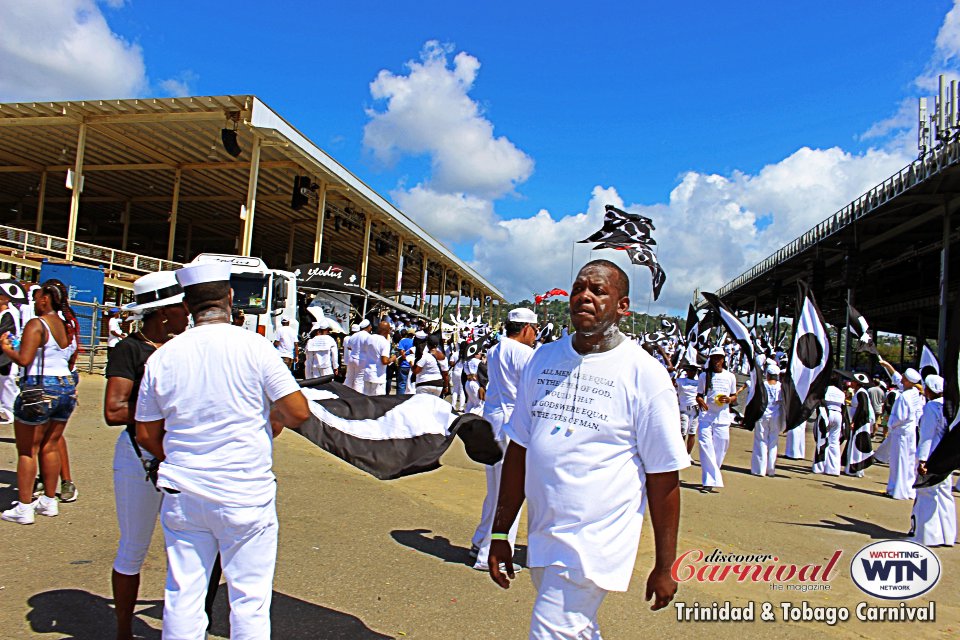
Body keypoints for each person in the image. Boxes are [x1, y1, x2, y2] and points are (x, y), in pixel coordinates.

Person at [487, 260, 688, 639]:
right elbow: (520, 449)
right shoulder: (543, 359)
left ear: (622, 306)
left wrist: (666, 565)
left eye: (598, 290)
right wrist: (500, 534)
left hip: (595, 542)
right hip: (545, 533)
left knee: (552, 630)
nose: (584, 296)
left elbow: (664, 476)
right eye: (579, 288)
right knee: (575, 631)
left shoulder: (644, 374)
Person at [135, 261, 312, 639]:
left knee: (183, 594)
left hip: (183, 490)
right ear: (230, 298)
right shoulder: (255, 347)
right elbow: (298, 412)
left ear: (186, 305)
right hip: (244, 490)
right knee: (249, 599)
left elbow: (146, 433)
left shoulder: (162, 357)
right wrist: (270, 421)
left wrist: (179, 458)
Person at [104, 271, 192, 640]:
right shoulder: (129, 350)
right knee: (134, 548)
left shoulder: (183, 348)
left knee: (186, 555)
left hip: (180, 460)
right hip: (139, 460)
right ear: (164, 313)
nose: (189, 312)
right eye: (182, 306)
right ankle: (124, 630)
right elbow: (113, 410)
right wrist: (164, 414)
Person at [1, 281, 78, 524]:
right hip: (66, 386)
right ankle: (49, 500)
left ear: (46, 298)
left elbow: (24, 359)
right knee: (51, 445)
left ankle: (24, 507)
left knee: (27, 451)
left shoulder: (38, 324)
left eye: (38, 297)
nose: (35, 301)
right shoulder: (66, 325)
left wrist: (6, 347)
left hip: (39, 387)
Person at [470, 308, 536, 572]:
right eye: (535, 328)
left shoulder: (496, 349)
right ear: (526, 328)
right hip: (511, 423)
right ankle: (490, 555)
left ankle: (480, 540)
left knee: (495, 489)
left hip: (493, 419)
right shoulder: (526, 354)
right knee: (510, 492)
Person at [911, 375, 956, 546]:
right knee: (944, 494)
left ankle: (927, 535)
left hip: (933, 453)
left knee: (927, 492)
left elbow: (927, 435)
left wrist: (923, 459)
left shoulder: (931, 407)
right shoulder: (951, 406)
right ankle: (947, 535)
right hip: (946, 454)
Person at [695, 347, 738, 491]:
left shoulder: (730, 376)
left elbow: (734, 396)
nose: (717, 361)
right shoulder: (704, 376)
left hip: (722, 416)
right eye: (714, 358)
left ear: (723, 359)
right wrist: (701, 402)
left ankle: (714, 473)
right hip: (706, 416)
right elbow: (699, 395)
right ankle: (709, 481)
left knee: (721, 446)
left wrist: (729, 400)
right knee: (705, 446)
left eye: (719, 358)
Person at [883, 366, 923, 500]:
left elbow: (900, 416)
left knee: (898, 460)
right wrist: (887, 366)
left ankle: (896, 489)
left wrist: (890, 425)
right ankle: (907, 489)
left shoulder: (905, 396)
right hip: (910, 431)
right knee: (909, 461)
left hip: (901, 431)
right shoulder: (914, 393)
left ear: (907, 380)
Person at [751, 364, 783, 477]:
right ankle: (771, 469)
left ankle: (759, 469)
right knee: (773, 442)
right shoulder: (781, 387)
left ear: (768, 374)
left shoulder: (762, 385)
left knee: (761, 440)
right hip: (776, 415)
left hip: (762, 414)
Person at [843, 373, 874, 477]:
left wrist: (855, 421)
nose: (851, 383)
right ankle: (853, 468)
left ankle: (856, 468)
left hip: (860, 423)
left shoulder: (861, 393)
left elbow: (863, 408)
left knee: (858, 445)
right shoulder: (859, 392)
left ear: (857, 383)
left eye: (853, 381)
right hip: (859, 422)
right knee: (854, 444)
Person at [812, 377, 845, 476]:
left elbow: (820, 402)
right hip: (838, 415)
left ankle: (819, 467)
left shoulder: (826, 389)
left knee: (822, 441)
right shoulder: (841, 392)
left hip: (827, 413)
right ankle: (833, 469)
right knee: (834, 442)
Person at [0, 286, 22, 423]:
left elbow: (5, 332)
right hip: (3, 355)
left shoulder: (9, 314)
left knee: (8, 383)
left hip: (7, 355)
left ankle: (12, 412)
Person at [361, 321, 396, 396]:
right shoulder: (385, 342)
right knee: (377, 401)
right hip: (378, 376)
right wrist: (392, 359)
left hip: (367, 373)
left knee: (366, 398)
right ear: (386, 331)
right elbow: (384, 361)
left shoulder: (369, 338)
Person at [675, 363, 700, 454]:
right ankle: (680, 453)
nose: (692, 372)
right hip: (683, 409)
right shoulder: (680, 381)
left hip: (695, 409)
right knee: (683, 431)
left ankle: (688, 454)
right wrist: (677, 372)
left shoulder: (699, 383)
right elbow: (672, 383)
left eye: (694, 371)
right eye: (690, 370)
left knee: (692, 432)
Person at [462, 343, 484, 415]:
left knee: (470, 403)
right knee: (479, 405)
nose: (480, 355)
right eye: (479, 353)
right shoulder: (478, 362)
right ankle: (471, 419)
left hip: (468, 382)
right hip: (476, 383)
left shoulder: (466, 361)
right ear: (475, 354)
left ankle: (465, 418)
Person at [343, 323, 363, 390]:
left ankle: (346, 390)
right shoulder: (357, 338)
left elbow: (346, 347)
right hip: (356, 359)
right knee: (357, 378)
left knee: (348, 377)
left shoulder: (346, 338)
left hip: (347, 359)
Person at [395, 327, 415, 395]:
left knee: (401, 385)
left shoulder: (402, 341)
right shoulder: (414, 342)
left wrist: (405, 358)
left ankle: (399, 400)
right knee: (411, 386)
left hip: (403, 365)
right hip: (412, 366)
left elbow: (402, 354)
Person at [449, 341, 466, 410]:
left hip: (455, 372)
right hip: (462, 373)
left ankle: (453, 405)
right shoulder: (467, 355)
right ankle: (461, 407)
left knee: (455, 390)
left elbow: (451, 363)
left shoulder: (455, 354)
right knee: (462, 391)